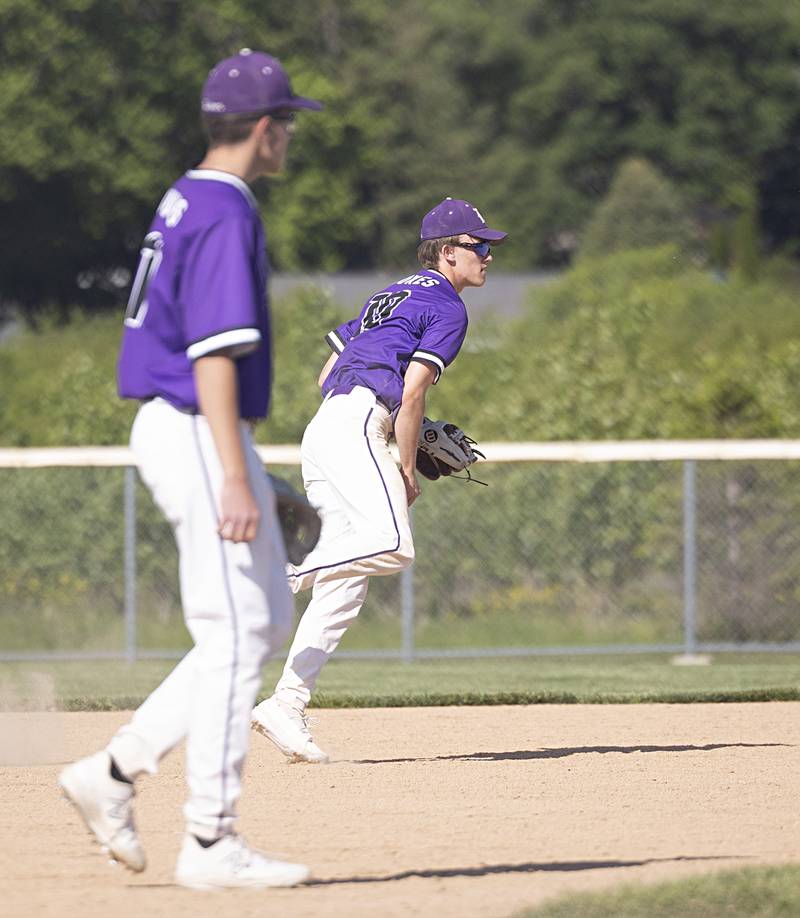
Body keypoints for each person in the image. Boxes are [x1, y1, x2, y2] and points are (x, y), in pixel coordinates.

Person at [58, 49, 322, 890]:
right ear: (264, 128)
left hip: (193, 429)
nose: (290, 137)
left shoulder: (187, 195)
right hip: (192, 425)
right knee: (238, 630)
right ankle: (210, 841)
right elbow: (212, 353)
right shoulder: (225, 209)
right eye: (288, 122)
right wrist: (235, 473)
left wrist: (242, 458)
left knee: (260, 622)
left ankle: (111, 772)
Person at [251, 198, 507, 763]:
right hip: (360, 425)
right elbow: (413, 392)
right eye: (478, 246)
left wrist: (373, 422)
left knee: (347, 580)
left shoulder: (388, 295)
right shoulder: (448, 305)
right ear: (448, 252)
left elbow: (327, 372)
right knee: (392, 545)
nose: (488, 256)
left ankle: (286, 704)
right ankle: (277, 572)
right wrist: (405, 462)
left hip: (327, 426)